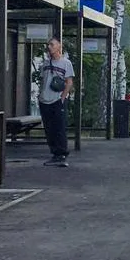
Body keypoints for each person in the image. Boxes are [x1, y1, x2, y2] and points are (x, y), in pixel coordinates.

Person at [38, 37, 74, 167]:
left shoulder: (66, 63)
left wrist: (62, 98)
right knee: (49, 128)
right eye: (48, 45)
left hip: (57, 100)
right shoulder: (45, 64)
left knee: (59, 127)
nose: (49, 47)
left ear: (59, 46)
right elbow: (43, 80)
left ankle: (61, 154)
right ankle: (54, 153)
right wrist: (40, 95)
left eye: (52, 44)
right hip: (44, 100)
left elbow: (69, 82)